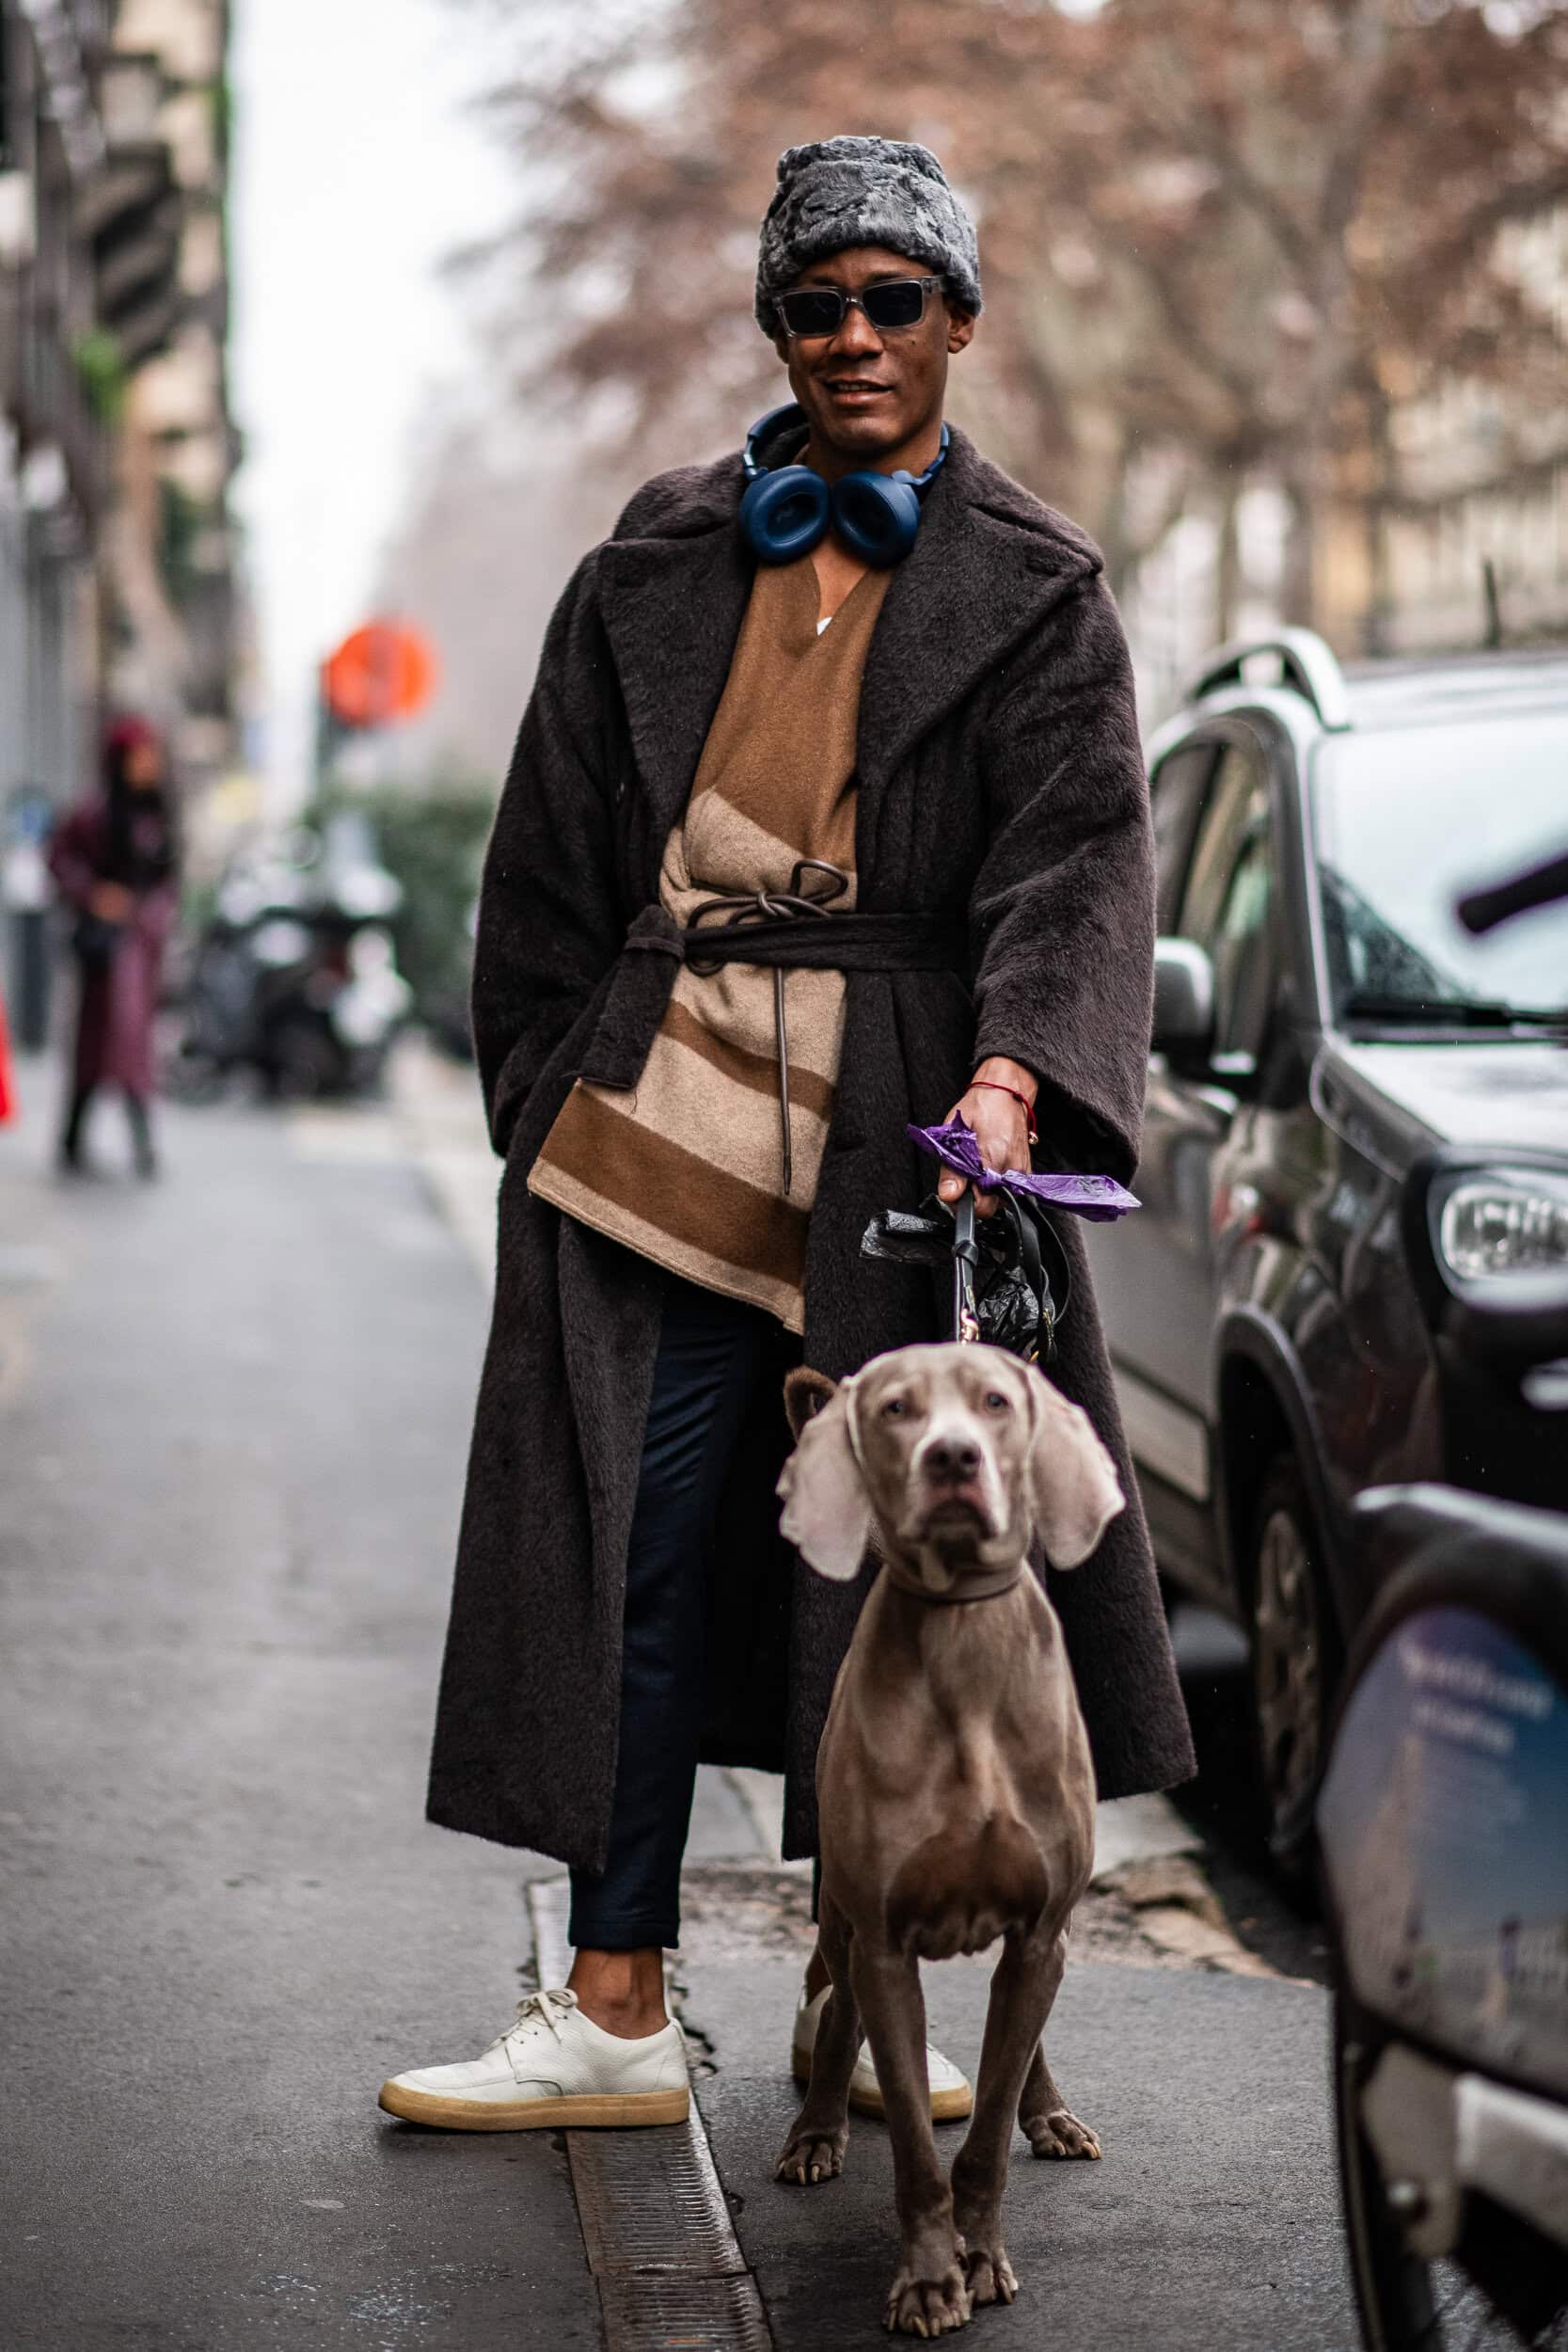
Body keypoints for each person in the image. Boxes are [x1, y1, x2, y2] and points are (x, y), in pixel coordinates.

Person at [381, 135, 1194, 2132]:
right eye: (812, 305)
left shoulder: (1035, 588)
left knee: (906, 1584)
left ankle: (886, 1990)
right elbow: (544, 869)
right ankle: (613, 2007)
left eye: (888, 302)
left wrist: (1010, 1076)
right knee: (632, 1570)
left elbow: (1075, 867)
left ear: (956, 326)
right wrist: (542, 1100)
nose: (849, 336)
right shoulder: (648, 561)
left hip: (900, 1147)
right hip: (645, 1147)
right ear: (771, 328)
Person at [49, 716, 180, 1180]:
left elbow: (167, 881)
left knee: (132, 1050)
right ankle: (75, 1140)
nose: (149, 766)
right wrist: (95, 896)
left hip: (140, 954)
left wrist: (152, 917)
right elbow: (61, 859)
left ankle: (137, 1144)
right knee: (97, 1049)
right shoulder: (94, 812)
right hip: (104, 955)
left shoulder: (155, 814)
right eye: (141, 757)